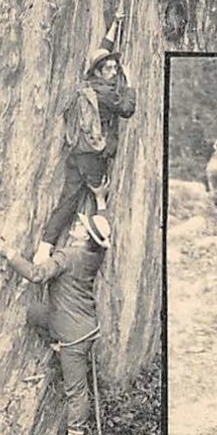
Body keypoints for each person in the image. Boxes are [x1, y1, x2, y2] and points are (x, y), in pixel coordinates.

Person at [0, 213, 111, 435]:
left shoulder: (67, 257)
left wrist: (9, 253)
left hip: (74, 335)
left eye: (80, 226)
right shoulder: (96, 255)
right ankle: (55, 344)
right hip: (82, 323)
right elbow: (102, 231)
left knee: (76, 392)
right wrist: (100, 201)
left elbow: (36, 274)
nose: (76, 226)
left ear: (84, 236)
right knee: (35, 313)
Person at [35, 15, 136, 262]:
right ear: (100, 73)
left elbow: (102, 50)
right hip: (94, 155)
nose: (114, 72)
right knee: (100, 195)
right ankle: (92, 252)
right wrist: (130, 83)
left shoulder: (87, 84)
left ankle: (44, 246)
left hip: (77, 150)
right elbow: (127, 109)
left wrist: (115, 23)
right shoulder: (106, 93)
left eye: (115, 68)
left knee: (69, 199)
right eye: (110, 69)